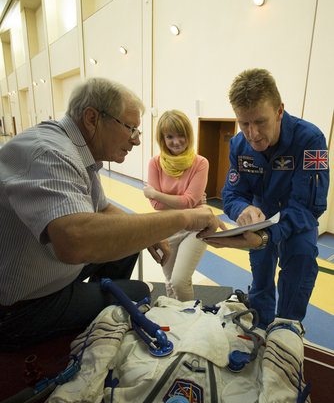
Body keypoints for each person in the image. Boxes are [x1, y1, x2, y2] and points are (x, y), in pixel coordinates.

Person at [0, 78, 223, 350]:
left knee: (132, 241)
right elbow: (74, 242)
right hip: (20, 307)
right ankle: (92, 322)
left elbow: (104, 209)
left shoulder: (75, 149)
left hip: (47, 272)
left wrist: (148, 234)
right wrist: (187, 217)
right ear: (92, 118)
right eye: (131, 129)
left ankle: (93, 308)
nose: (137, 140)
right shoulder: (50, 153)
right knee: (139, 293)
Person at [205, 68, 329, 329]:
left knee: (299, 271)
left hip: (297, 222)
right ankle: (260, 330)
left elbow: (309, 208)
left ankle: (286, 333)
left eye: (260, 121)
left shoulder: (310, 140)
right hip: (260, 220)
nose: (253, 133)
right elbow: (231, 194)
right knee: (261, 279)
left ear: (279, 111)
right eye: (244, 123)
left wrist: (267, 235)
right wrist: (244, 209)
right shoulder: (239, 145)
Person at [144, 110, 209, 301]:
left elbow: (187, 202)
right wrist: (188, 202)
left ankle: (190, 320)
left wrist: (156, 193)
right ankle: (174, 322)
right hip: (167, 227)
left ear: (189, 135)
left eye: (181, 135)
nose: (176, 141)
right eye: (170, 136)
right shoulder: (155, 163)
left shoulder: (200, 163)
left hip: (195, 227)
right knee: (169, 281)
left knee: (180, 281)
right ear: (162, 139)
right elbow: (157, 206)